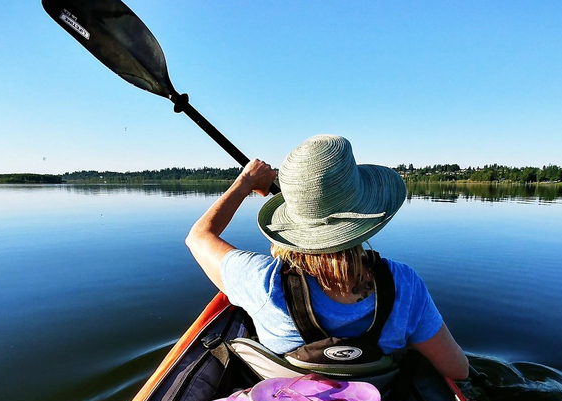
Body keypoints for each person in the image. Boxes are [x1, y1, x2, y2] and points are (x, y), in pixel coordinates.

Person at [185, 134, 468, 381]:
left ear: (293, 223)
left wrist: (245, 181)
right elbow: (458, 370)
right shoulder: (404, 284)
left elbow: (198, 237)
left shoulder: (261, 280)